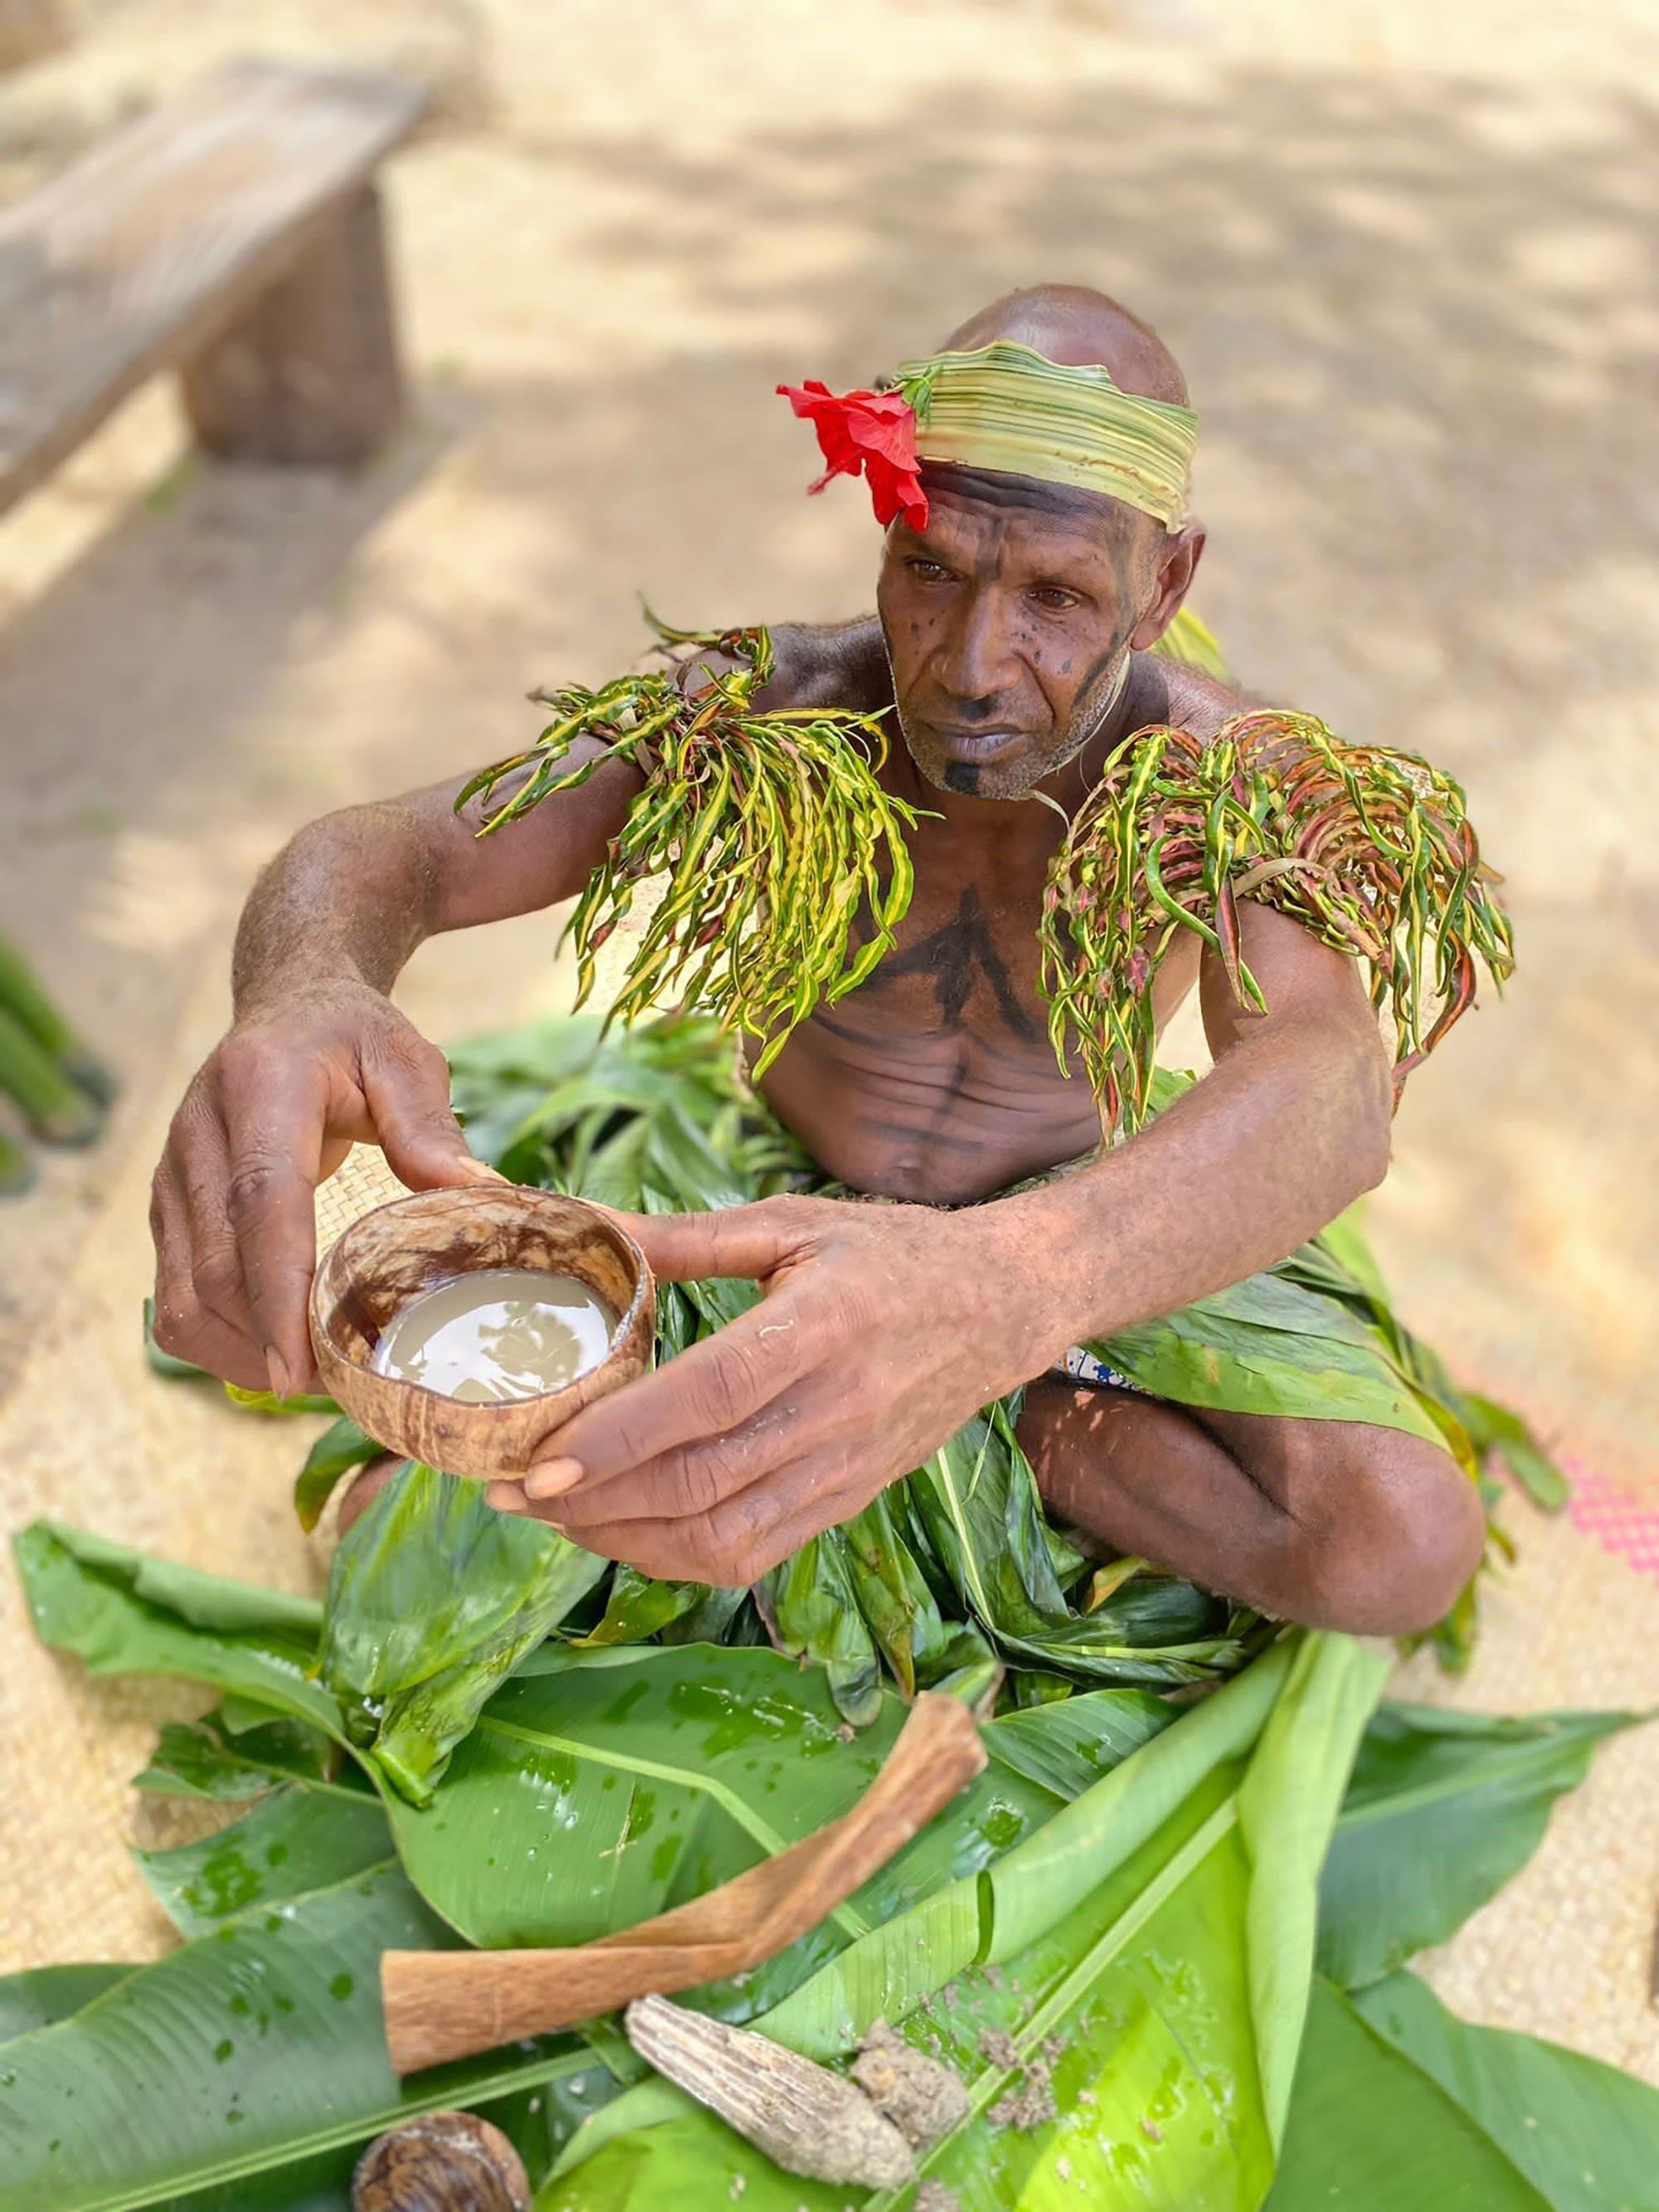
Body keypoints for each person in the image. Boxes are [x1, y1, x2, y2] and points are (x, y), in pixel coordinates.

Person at [150, 283, 1489, 1646]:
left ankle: (1001, 1408)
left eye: (1058, 598)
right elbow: (401, 851)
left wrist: (994, 1299)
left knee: (1397, 1542)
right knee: (401, 1540)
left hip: (1053, 1224)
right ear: (884, 532)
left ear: (1166, 585)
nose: (974, 662)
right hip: (746, 1199)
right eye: (933, 569)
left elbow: (1325, 1078)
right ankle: (848, 1380)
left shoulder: (1219, 784)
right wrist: (305, 983)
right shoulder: (771, 713)